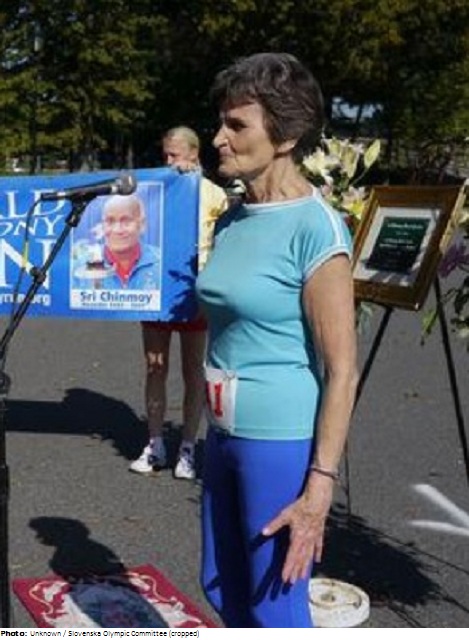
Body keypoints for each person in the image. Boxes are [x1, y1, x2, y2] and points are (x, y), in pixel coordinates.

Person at [195, 53, 358, 627]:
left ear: (285, 136)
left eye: (236, 125)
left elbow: (342, 370)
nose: (218, 138)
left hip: (278, 441)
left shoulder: (316, 228)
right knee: (221, 585)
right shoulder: (233, 219)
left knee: (276, 609)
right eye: (221, 122)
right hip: (220, 433)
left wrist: (319, 487)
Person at [129, 126, 227, 480]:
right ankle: (155, 443)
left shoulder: (213, 193)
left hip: (193, 292)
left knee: (192, 371)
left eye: (174, 155)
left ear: (193, 154)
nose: (168, 161)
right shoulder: (157, 190)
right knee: (154, 366)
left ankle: (187, 447)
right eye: (165, 155)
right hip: (157, 289)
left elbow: (223, 244)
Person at [72, 193, 160, 290]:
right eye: (110, 221)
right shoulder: (79, 267)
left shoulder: (161, 262)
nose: (117, 230)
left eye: (126, 221)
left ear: (142, 224)